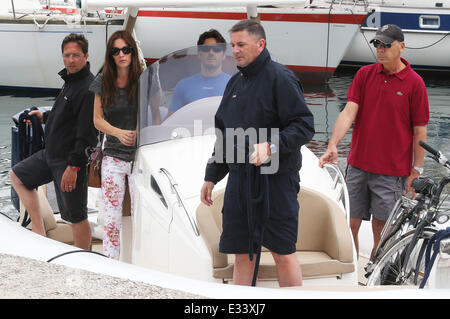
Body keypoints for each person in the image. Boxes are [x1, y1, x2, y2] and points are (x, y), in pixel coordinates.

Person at [200, 20, 315, 287]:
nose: (235, 50)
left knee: (283, 253)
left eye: (241, 44)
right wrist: (211, 176)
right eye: (233, 45)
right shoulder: (234, 83)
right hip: (240, 182)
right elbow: (224, 135)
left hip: (275, 181)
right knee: (242, 253)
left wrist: (272, 145)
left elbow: (304, 125)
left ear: (260, 44)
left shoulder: (281, 78)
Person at [319, 24, 429, 261]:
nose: (380, 49)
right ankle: (351, 272)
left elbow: (420, 131)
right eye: (377, 44)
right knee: (350, 223)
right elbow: (349, 112)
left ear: (401, 46)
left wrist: (416, 170)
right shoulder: (364, 75)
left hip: (391, 172)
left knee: (382, 228)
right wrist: (333, 144)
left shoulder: (415, 83)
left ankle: (373, 275)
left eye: (386, 44)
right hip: (358, 165)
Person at [10, 33, 97, 250]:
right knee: (18, 176)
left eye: (76, 55)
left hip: (68, 161)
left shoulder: (88, 88)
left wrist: (74, 167)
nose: (71, 60)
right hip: (51, 154)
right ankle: (39, 232)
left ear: (86, 56)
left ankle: (84, 260)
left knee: (76, 216)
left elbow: (87, 135)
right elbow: (65, 116)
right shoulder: (69, 82)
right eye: (67, 55)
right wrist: (44, 117)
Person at [90, 30, 142, 260]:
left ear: (132, 51)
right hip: (113, 156)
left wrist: (140, 131)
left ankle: (140, 265)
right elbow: (97, 119)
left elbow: (154, 115)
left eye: (126, 49)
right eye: (116, 51)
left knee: (142, 216)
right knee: (111, 220)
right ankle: (113, 267)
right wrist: (119, 133)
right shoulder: (103, 80)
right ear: (110, 55)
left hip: (141, 157)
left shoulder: (144, 78)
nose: (121, 54)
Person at [166, 29, 231, 117]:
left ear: (224, 55)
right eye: (206, 49)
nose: (211, 53)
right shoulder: (183, 85)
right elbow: (170, 120)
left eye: (216, 49)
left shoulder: (234, 85)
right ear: (199, 54)